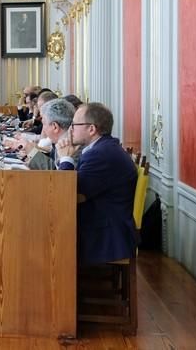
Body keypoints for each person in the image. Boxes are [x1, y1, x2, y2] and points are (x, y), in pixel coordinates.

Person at [56, 102, 139, 266]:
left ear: (92, 129)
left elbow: (66, 192)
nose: (70, 129)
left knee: (45, 235)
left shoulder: (100, 154)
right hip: (104, 223)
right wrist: (65, 160)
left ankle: (60, 287)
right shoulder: (103, 148)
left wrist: (65, 159)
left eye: (74, 125)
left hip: (106, 234)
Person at [26, 98, 75, 170]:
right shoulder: (61, 140)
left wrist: (32, 152)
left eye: (44, 124)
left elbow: (58, 175)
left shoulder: (71, 146)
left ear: (55, 127)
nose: (44, 129)